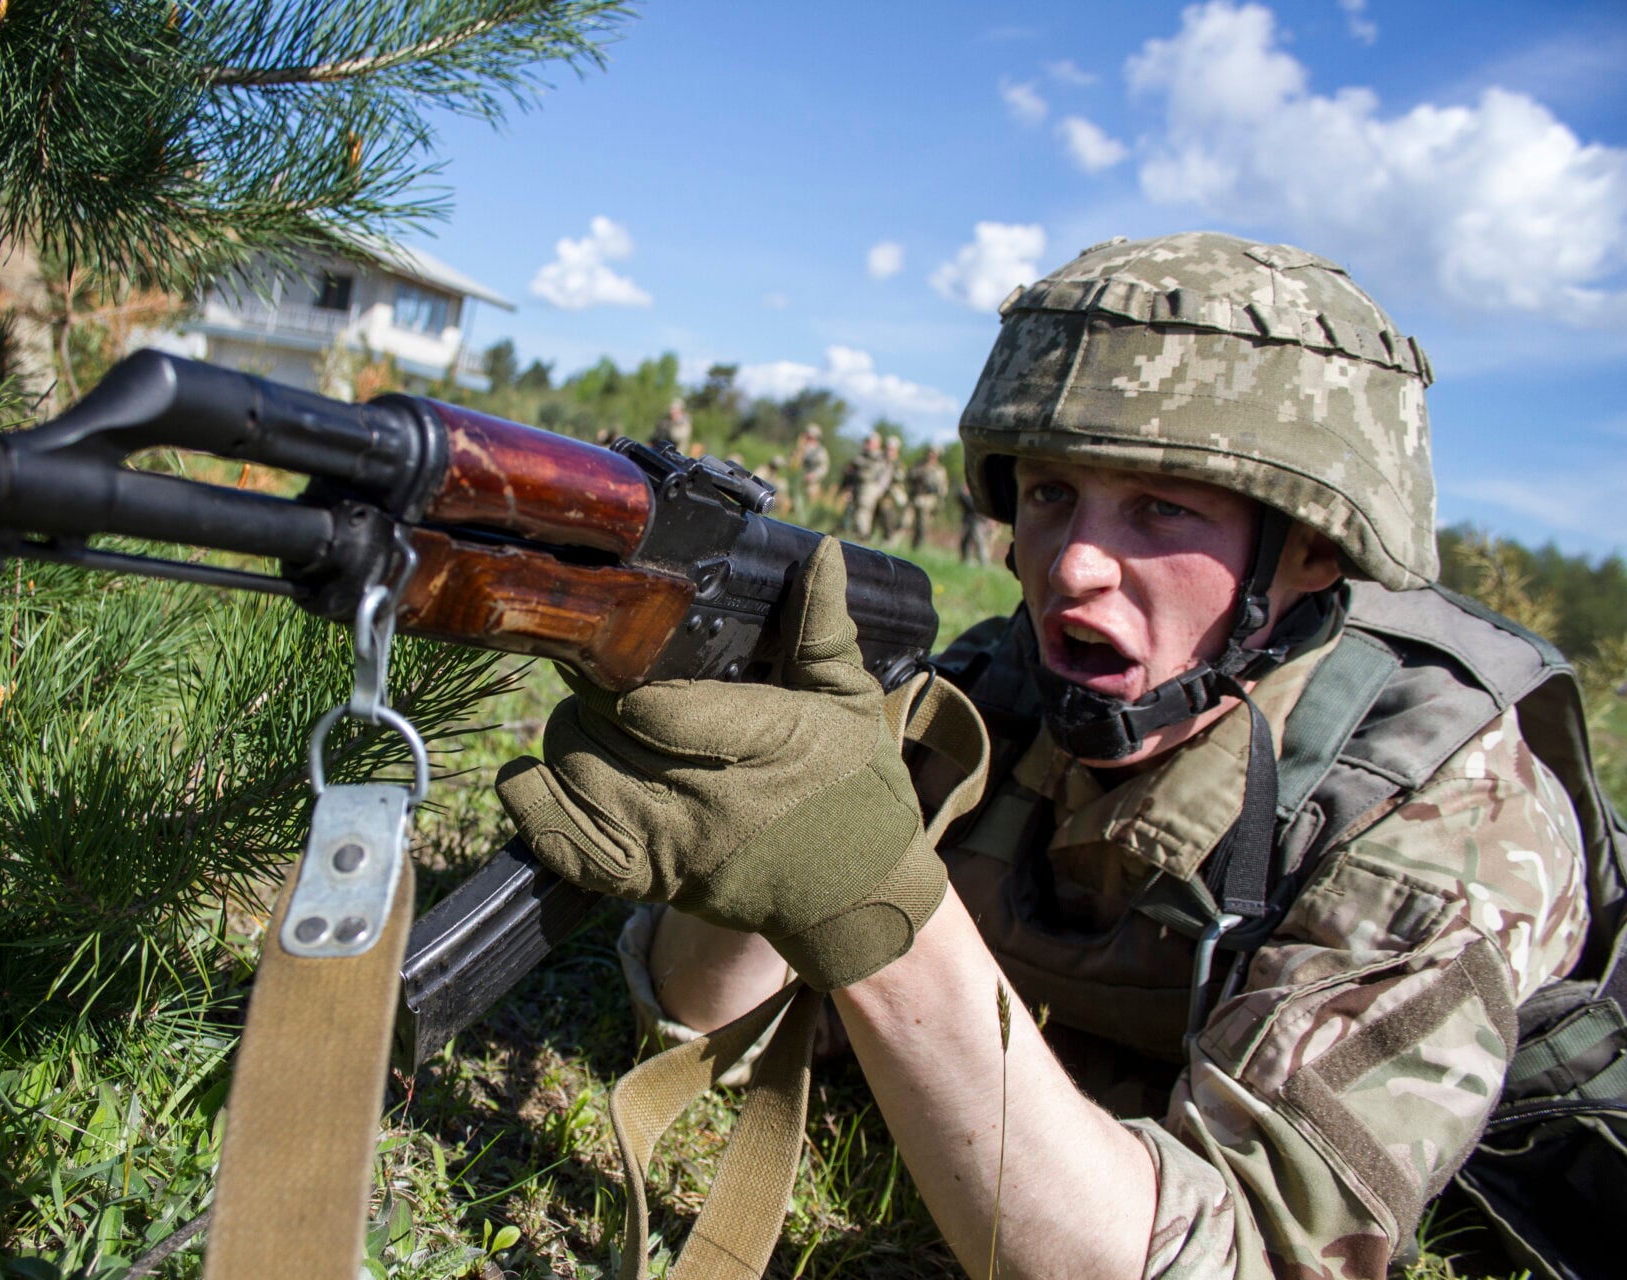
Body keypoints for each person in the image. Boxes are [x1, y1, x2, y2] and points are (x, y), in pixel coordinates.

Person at [497, 233, 1596, 1279]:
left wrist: (864, 890)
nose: (1072, 567)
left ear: (1307, 551)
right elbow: (710, 1019)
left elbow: (1243, 1258)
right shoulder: (996, 690)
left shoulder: (1436, 816)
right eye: (1050, 493)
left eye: (1160, 510)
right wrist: (747, 786)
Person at [838, 431, 892, 539]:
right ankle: (853, 535)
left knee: (863, 511)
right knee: (853, 511)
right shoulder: (860, 457)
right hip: (857, 487)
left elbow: (885, 477)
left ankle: (862, 537)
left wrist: (879, 490)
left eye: (870, 442)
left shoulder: (881, 458)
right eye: (866, 442)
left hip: (870, 488)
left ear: (877, 444)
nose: (867, 444)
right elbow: (849, 471)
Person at [906, 443, 951, 549]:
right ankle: (892, 542)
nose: (931, 455)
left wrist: (937, 490)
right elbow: (909, 476)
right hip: (915, 497)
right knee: (905, 521)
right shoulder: (919, 465)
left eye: (934, 453)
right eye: (930, 452)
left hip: (928, 500)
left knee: (922, 526)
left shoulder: (940, 470)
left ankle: (917, 546)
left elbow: (944, 488)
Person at [797, 422, 832, 507]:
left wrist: (814, 475)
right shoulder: (800, 446)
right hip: (798, 478)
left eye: (810, 435)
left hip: (811, 481)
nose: (808, 437)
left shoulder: (820, 451)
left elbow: (824, 467)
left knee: (811, 495)